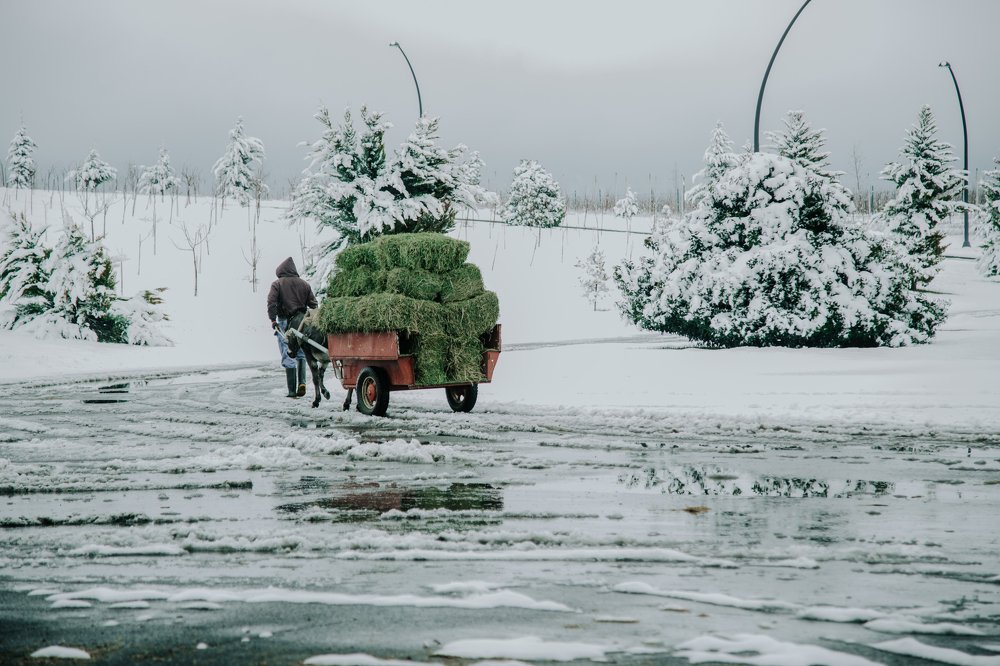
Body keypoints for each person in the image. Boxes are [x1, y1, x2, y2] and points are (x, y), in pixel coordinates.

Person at [267, 257, 318, 398]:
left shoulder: (277, 284)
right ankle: (302, 383)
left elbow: (271, 302)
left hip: (285, 322)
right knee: (301, 352)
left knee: (287, 352)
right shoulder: (305, 284)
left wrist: (272, 319)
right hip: (302, 322)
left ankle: (291, 390)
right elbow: (314, 305)